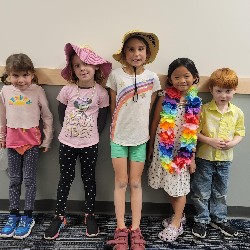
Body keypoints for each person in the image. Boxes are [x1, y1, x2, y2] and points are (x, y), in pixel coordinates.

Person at [44, 43, 112, 240]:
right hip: (67, 143)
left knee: (89, 178)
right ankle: (59, 216)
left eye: (86, 64)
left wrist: (92, 135)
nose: (82, 68)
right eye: (77, 65)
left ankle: (89, 214)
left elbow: (103, 118)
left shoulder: (101, 92)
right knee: (65, 179)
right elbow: (61, 113)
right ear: (73, 69)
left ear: (96, 67)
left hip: (90, 144)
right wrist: (71, 131)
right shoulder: (67, 90)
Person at [106, 30, 161, 250]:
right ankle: (121, 228)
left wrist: (147, 137)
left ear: (147, 53)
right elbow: (112, 107)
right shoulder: (116, 76)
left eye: (140, 49)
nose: (136, 53)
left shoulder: (153, 78)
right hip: (118, 138)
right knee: (120, 182)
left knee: (136, 183)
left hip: (140, 139)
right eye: (131, 49)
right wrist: (117, 130)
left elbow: (150, 109)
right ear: (124, 53)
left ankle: (135, 229)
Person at [0, 53, 53, 239]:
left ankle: (27, 216)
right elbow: (3, 116)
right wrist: (2, 136)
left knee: (29, 180)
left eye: (25, 75)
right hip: (12, 142)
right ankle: (13, 214)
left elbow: (47, 116)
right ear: (8, 75)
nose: (21, 80)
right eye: (15, 75)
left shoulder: (37, 91)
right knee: (14, 180)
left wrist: (47, 139)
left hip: (32, 143)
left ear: (32, 74)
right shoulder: (5, 92)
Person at [148, 58, 201, 242]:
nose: (182, 80)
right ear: (170, 79)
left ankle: (176, 223)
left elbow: (194, 133)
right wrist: (150, 148)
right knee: (168, 185)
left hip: (182, 152)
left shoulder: (195, 102)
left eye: (186, 76)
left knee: (179, 188)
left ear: (194, 77)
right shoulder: (164, 97)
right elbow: (155, 123)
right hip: (163, 149)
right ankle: (180, 216)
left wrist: (191, 157)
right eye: (176, 77)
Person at [191, 68, 245, 238]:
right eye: (219, 91)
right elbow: (194, 132)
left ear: (235, 90)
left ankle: (219, 218)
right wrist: (210, 141)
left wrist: (232, 144)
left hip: (225, 160)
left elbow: (240, 133)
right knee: (201, 191)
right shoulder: (204, 110)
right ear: (211, 90)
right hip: (205, 158)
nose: (223, 95)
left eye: (228, 91)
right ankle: (201, 220)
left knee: (220, 191)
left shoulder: (237, 112)